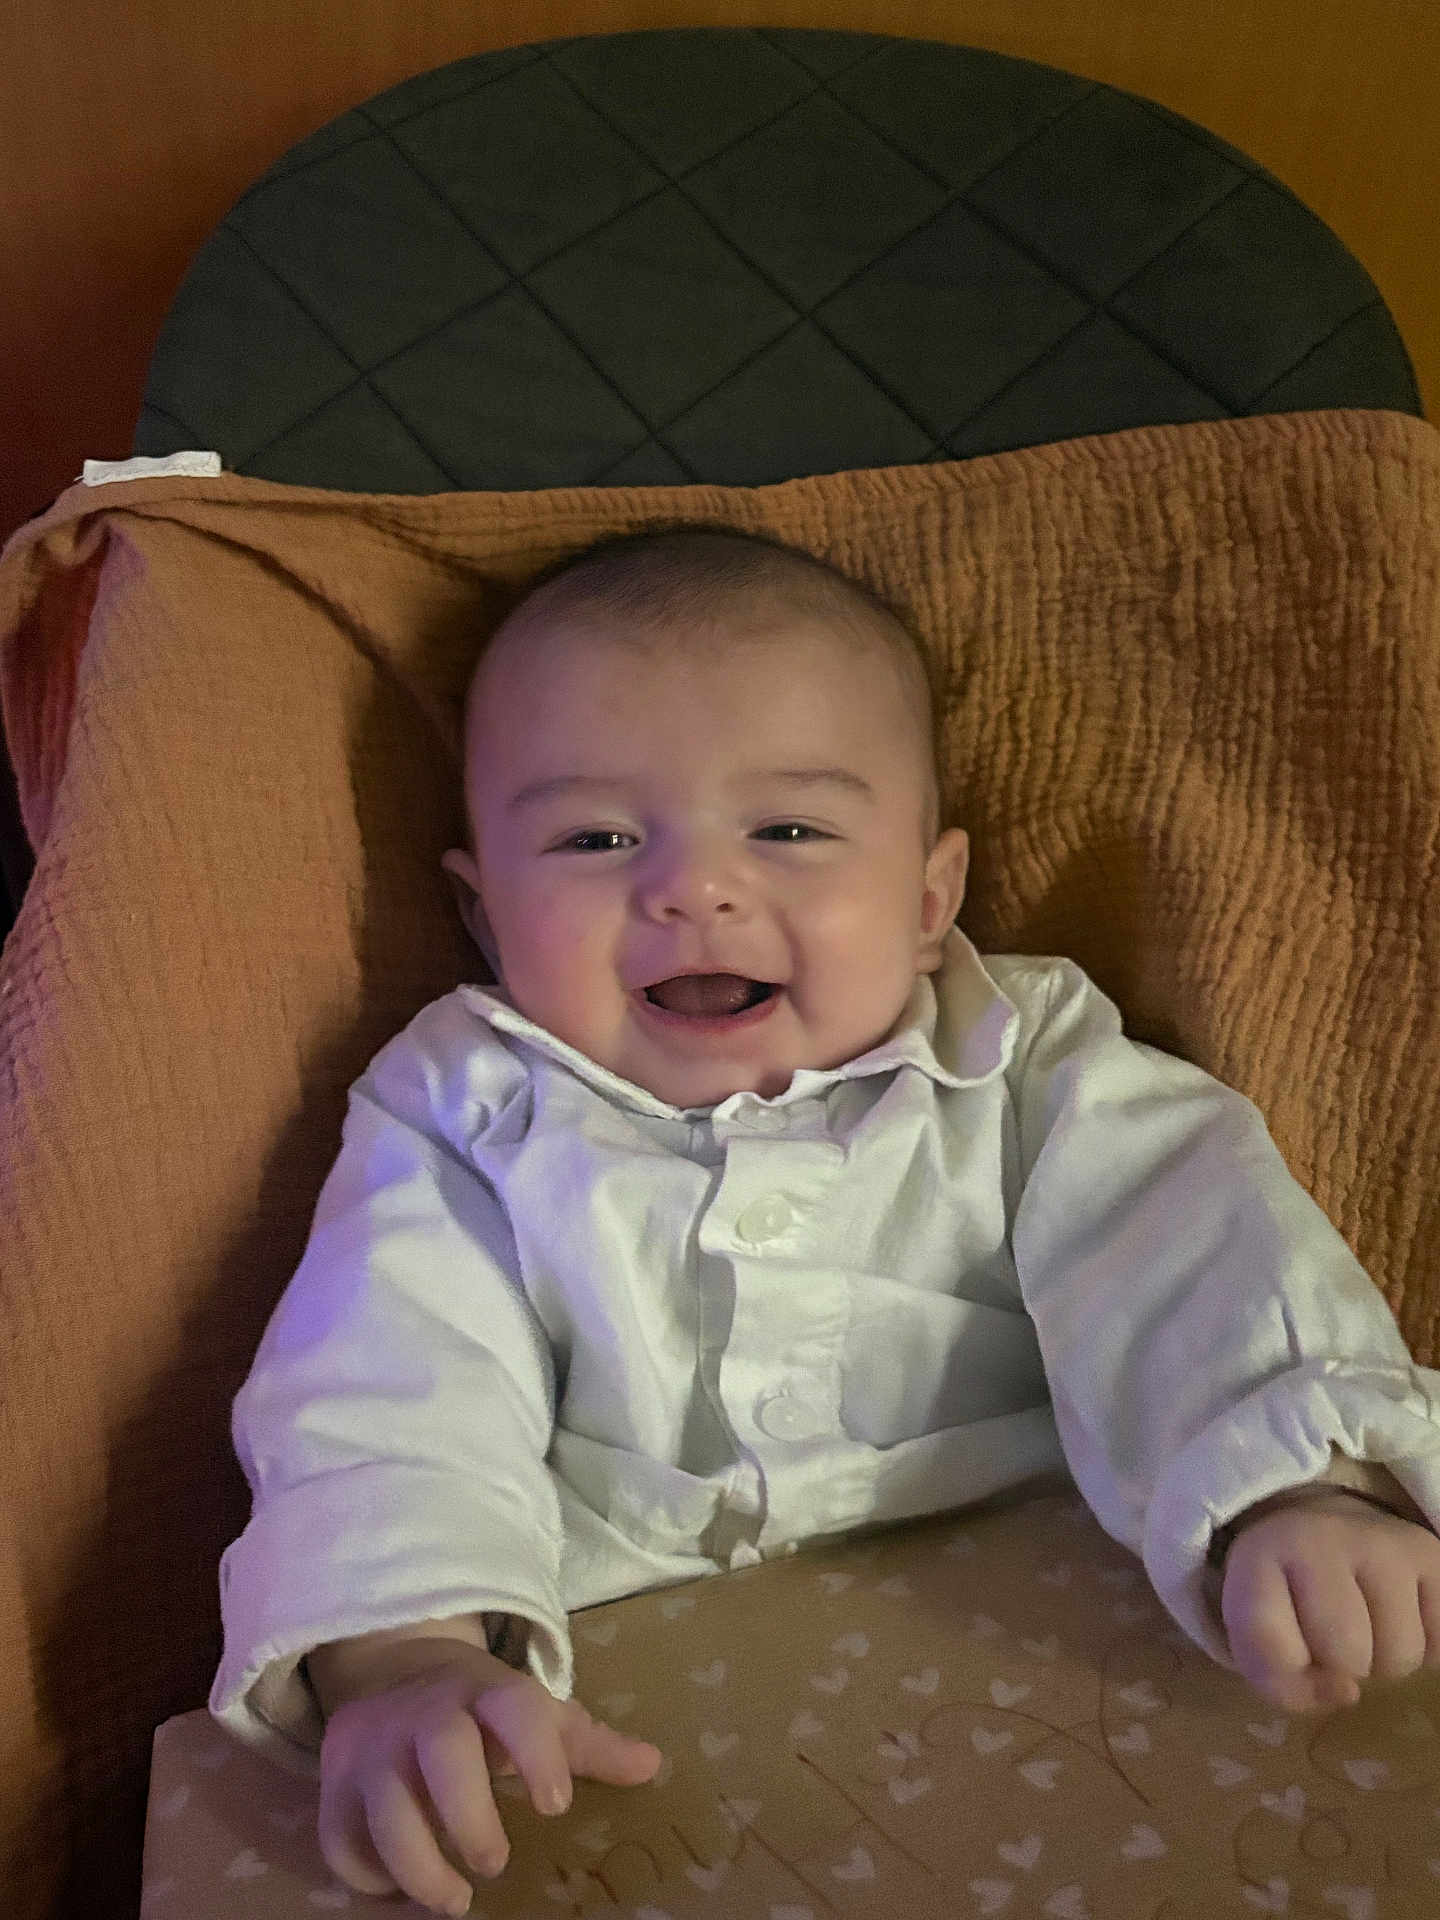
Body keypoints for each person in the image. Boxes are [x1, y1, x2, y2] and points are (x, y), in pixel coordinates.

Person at [211, 526, 1440, 1916]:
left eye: (789, 830)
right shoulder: (467, 1105)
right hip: (622, 1687)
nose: (694, 887)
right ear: (484, 915)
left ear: (928, 900)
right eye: (596, 837)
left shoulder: (1027, 1062)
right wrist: (409, 1653)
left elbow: (1186, 1245)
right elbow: (391, 1372)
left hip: (1052, 1630)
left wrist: (1297, 1483)